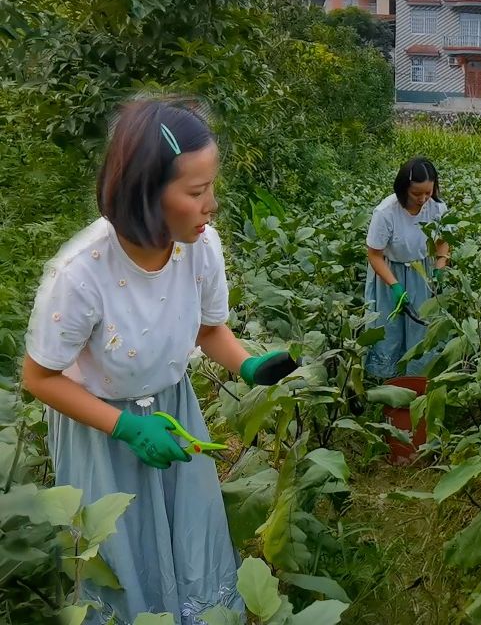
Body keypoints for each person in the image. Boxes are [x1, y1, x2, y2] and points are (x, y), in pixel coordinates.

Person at [21, 98, 298, 624]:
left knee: (189, 534)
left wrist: (248, 365)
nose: (211, 204)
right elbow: (38, 378)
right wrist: (125, 427)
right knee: (122, 555)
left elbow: (208, 329)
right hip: (100, 432)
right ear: (146, 193)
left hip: (173, 411)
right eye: (196, 192)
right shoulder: (81, 273)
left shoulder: (199, 246)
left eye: (212, 186)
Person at [364, 156, 450, 378]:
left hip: (422, 273)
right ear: (403, 189)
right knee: (388, 329)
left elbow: (443, 242)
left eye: (428, 193)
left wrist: (440, 266)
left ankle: (417, 379)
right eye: (416, 194)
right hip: (389, 275)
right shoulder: (385, 212)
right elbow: (374, 255)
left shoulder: (437, 208)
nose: (423, 199)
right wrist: (395, 287)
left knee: (421, 328)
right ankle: (386, 382)